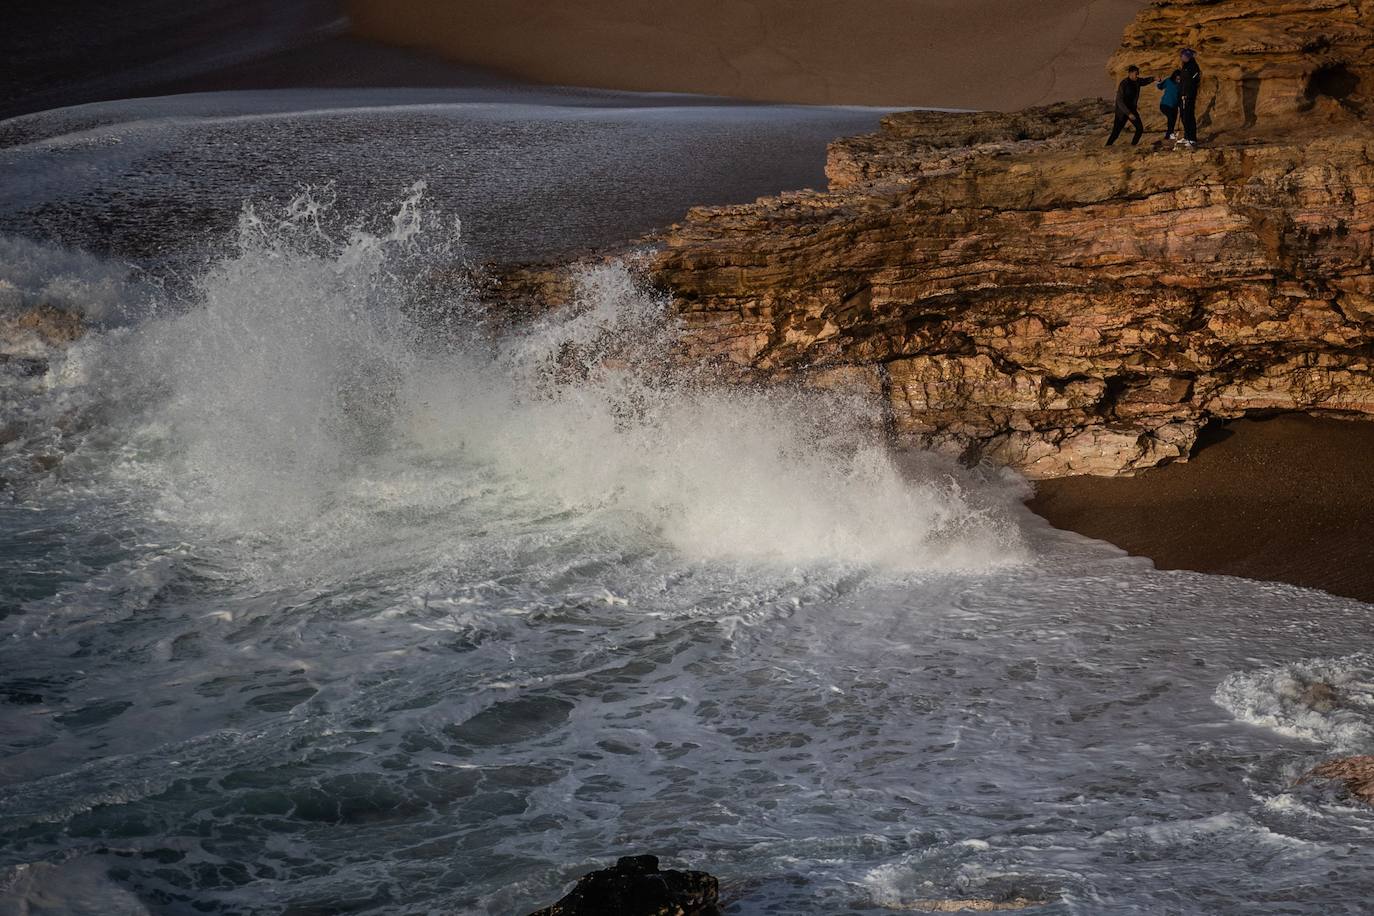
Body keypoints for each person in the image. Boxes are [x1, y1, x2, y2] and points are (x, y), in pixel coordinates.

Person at [1107, 65, 1154, 146]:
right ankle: (1107, 146)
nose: (1137, 75)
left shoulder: (1137, 81)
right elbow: (1119, 101)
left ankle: (1133, 146)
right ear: (1130, 73)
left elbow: (1144, 81)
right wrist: (1128, 113)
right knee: (1116, 132)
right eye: (1136, 74)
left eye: (1138, 74)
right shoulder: (1124, 84)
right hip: (1122, 112)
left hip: (1132, 109)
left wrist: (1153, 78)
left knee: (1139, 128)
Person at [1177, 48, 1202, 147]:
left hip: (1189, 96)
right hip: (1182, 95)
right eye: (1181, 55)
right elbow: (1183, 82)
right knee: (1183, 116)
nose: (1181, 57)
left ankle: (1192, 138)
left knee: (1189, 116)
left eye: (1182, 55)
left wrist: (1187, 94)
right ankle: (1187, 136)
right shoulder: (1185, 66)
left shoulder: (1193, 66)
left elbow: (1192, 83)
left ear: (1188, 56)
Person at [1158, 69, 1182, 139]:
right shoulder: (1168, 81)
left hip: (1174, 106)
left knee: (1173, 120)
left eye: (1180, 79)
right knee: (1171, 117)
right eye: (1177, 79)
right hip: (1165, 105)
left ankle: (1168, 136)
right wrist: (1159, 81)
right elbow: (1160, 86)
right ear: (1174, 77)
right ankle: (1171, 134)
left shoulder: (1181, 84)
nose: (1178, 80)